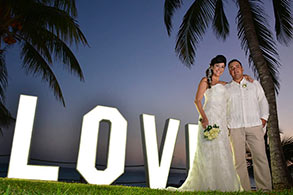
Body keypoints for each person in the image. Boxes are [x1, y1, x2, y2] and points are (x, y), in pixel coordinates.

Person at [168, 55, 243, 192]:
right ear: (211, 67)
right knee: (207, 151)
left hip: (221, 120)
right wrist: (204, 118)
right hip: (208, 118)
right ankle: (208, 184)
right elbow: (197, 101)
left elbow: (238, 83)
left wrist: (247, 77)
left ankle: (224, 185)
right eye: (217, 66)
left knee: (223, 151)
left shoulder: (225, 84)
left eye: (222, 67)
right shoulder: (205, 81)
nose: (219, 69)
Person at [226, 59, 272, 191]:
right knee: (238, 161)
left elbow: (262, 100)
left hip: (254, 125)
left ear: (242, 69)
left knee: (260, 158)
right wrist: (227, 124)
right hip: (235, 128)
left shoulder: (254, 84)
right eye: (232, 68)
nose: (235, 69)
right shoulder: (227, 88)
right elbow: (224, 108)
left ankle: (265, 190)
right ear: (230, 71)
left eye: (237, 67)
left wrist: (264, 118)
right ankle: (243, 189)